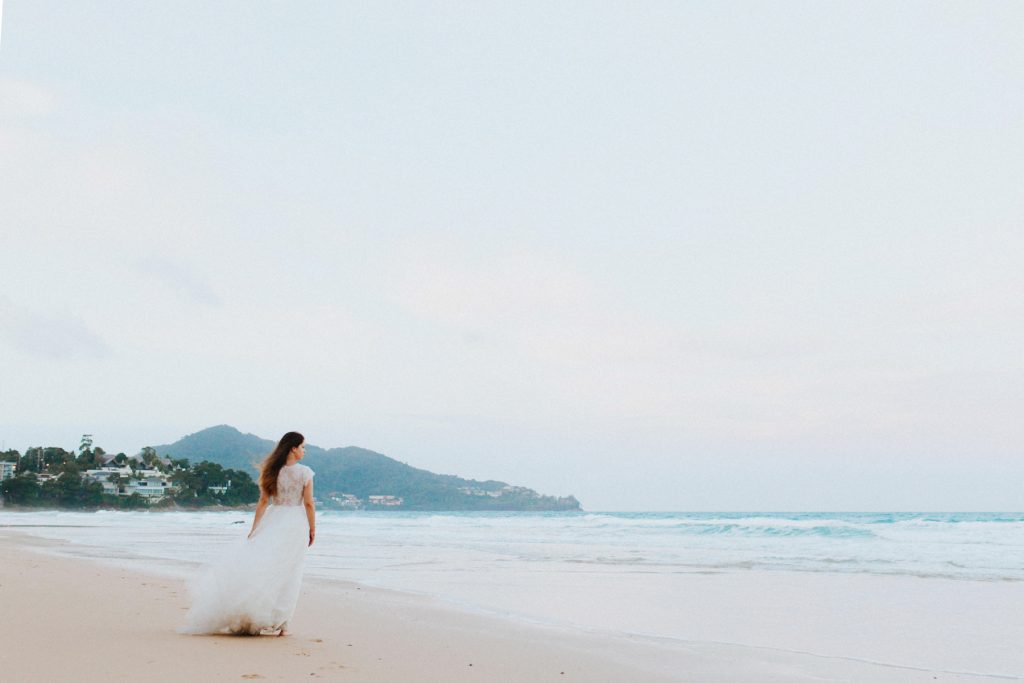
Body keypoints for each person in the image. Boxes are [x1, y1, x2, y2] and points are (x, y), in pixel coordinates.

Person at [181, 431, 316, 636]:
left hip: (274, 520)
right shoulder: (305, 473)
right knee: (290, 572)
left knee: (268, 568)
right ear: (293, 448)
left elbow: (263, 502)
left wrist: (255, 529)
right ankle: (282, 624)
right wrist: (313, 528)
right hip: (295, 524)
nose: (304, 451)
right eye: (303, 447)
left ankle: (258, 613)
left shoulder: (272, 471)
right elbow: (308, 503)